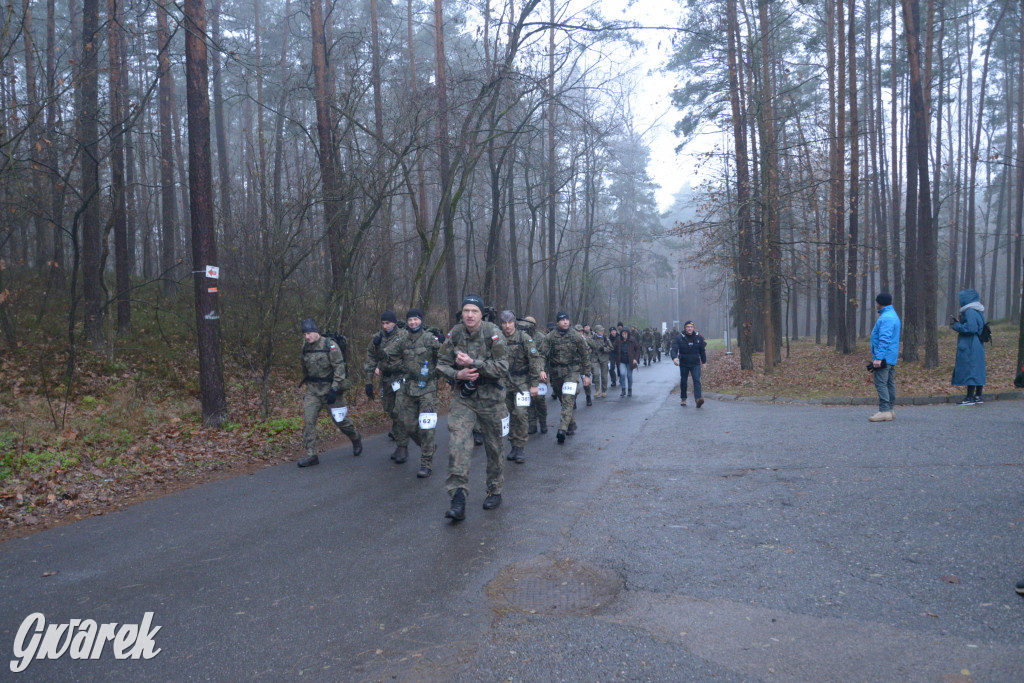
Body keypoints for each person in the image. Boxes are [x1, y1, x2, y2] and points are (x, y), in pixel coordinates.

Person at [437, 294, 509, 521]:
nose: (469, 315)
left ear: (481, 314)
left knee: (494, 447)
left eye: (474, 311)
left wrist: (473, 364)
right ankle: (458, 498)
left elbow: (502, 367)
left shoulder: (493, 333)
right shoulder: (455, 333)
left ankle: (495, 490)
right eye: (466, 310)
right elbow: (440, 363)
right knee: (458, 443)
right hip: (464, 398)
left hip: (491, 399)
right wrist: (457, 373)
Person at [382, 308, 442, 477]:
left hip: (427, 388)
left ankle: (426, 464)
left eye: (416, 319)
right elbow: (388, 354)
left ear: (421, 320)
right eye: (410, 320)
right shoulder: (403, 339)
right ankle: (427, 446)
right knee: (405, 422)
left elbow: (444, 357)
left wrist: (438, 371)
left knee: (427, 426)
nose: (413, 322)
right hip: (408, 387)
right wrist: (379, 345)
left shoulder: (430, 338)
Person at [298, 318, 362, 467]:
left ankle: (355, 436)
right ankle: (311, 455)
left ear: (316, 332)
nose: (307, 337)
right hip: (313, 390)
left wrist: (334, 389)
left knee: (340, 421)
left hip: (330, 389)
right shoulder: (305, 347)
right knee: (309, 421)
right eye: (304, 334)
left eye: (309, 333)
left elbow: (339, 368)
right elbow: (304, 366)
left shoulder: (330, 345)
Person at [500, 310, 542, 464]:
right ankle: (513, 445)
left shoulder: (524, 338)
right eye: (504, 323)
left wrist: (535, 384)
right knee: (507, 415)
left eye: (510, 322)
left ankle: (521, 447)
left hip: (522, 382)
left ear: (514, 323)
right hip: (504, 382)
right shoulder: (497, 339)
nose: (507, 326)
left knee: (521, 414)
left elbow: (534, 361)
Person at [542, 312, 591, 444]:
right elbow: (542, 354)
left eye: (567, 320)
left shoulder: (576, 336)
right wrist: (542, 370)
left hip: (572, 371)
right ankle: (571, 423)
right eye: (562, 320)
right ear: (557, 322)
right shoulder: (550, 337)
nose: (565, 322)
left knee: (568, 398)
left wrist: (587, 374)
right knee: (562, 399)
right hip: (556, 372)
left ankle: (562, 429)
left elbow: (585, 354)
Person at [364, 310, 406, 457]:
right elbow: (371, 359)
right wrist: (368, 382)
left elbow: (387, 355)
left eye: (388, 323)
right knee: (389, 408)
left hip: (401, 377)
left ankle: (402, 447)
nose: (385, 326)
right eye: (383, 323)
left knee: (398, 410)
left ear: (394, 323)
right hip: (386, 379)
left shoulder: (402, 336)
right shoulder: (378, 338)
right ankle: (399, 430)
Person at [950, 289, 987, 405]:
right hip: (977, 343)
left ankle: (969, 397)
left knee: (970, 368)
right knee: (977, 369)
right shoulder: (977, 310)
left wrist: (956, 325)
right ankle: (978, 396)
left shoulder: (969, 311)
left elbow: (970, 328)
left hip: (970, 343)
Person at [868, 292, 901, 422]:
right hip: (891, 356)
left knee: (881, 383)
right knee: (889, 382)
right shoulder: (893, 315)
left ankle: (884, 410)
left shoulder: (886, 318)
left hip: (885, 357)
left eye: (877, 302)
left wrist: (879, 358)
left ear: (879, 303)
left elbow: (884, 339)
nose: (876, 304)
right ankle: (890, 409)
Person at [671, 321, 707, 407]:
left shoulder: (699, 338)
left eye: (691, 327)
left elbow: (702, 351)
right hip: (684, 363)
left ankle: (698, 399)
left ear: (693, 328)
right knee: (684, 381)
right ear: (685, 328)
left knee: (697, 380)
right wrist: (674, 358)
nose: (689, 328)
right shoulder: (679, 338)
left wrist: (704, 362)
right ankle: (683, 398)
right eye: (688, 327)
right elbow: (674, 349)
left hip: (695, 363)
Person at [524, 316, 550, 435]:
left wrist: (543, 371)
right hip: (526, 372)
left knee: (539, 399)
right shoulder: (522, 336)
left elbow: (543, 356)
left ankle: (543, 422)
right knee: (528, 399)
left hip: (539, 371)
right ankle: (532, 423)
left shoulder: (541, 338)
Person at [613, 327, 641, 397]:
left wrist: (635, 359)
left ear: (628, 333)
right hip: (621, 360)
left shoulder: (632, 340)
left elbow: (637, 349)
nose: (624, 334)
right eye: (623, 333)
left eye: (625, 333)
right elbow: (613, 347)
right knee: (622, 374)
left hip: (630, 361)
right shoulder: (618, 339)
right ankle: (623, 389)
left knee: (629, 375)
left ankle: (629, 389)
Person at [588, 325, 611, 398]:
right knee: (596, 374)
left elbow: (611, 348)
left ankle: (604, 390)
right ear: (597, 331)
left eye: (603, 330)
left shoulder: (605, 338)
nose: (602, 332)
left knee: (604, 376)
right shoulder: (592, 338)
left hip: (604, 359)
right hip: (595, 359)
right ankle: (597, 390)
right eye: (600, 330)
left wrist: (604, 349)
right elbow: (587, 347)